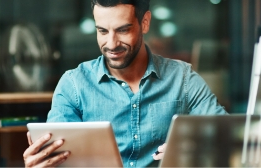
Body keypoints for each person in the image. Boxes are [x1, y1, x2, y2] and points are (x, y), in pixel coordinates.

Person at [23, 0, 227, 167]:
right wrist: (40, 164)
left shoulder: (183, 79)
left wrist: (201, 147)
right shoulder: (74, 84)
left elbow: (229, 137)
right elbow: (57, 159)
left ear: (145, 22)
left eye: (122, 30)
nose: (111, 44)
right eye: (102, 31)